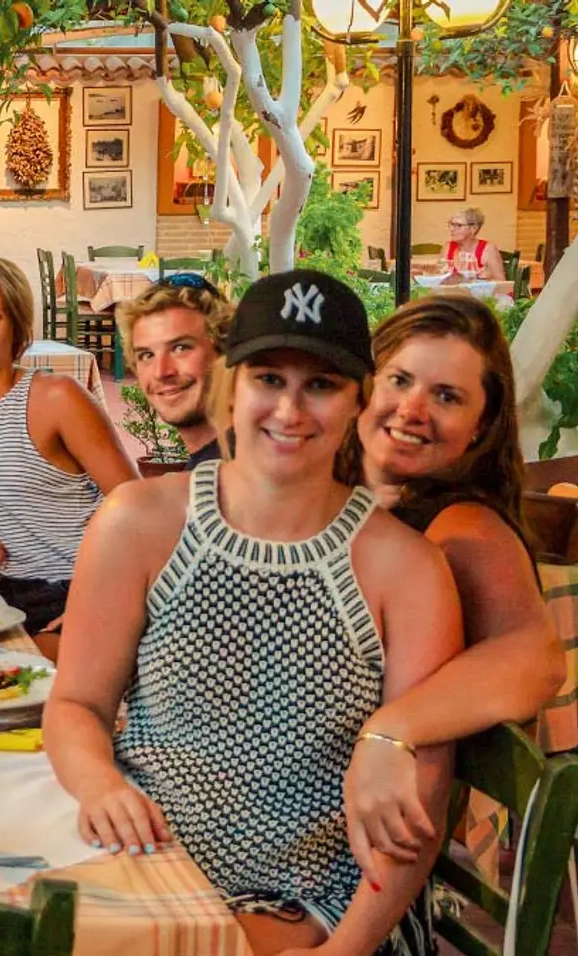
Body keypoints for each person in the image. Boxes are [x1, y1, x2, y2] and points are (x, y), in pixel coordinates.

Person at [45, 271, 463, 956]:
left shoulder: (408, 570)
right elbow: (77, 705)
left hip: (321, 905)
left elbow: (418, 814)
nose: (291, 411)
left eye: (322, 385)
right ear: (230, 386)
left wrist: (339, 949)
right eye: (270, 378)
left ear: (359, 400)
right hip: (147, 870)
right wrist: (97, 784)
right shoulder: (140, 522)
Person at [340, 294, 563, 885]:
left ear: (480, 427)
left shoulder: (464, 528)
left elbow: (535, 661)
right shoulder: (340, 499)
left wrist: (390, 731)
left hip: (355, 853)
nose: (412, 410)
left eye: (446, 396)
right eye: (401, 380)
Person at [0, 253, 136, 640]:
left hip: (65, 592)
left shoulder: (55, 398)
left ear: (17, 327)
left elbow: (137, 506)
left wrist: (106, 601)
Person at [116, 272, 235, 466]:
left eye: (180, 348)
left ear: (223, 351)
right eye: (146, 355)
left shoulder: (245, 473)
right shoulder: (210, 467)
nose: (162, 372)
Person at [435, 207, 506, 281]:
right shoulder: (447, 247)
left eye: (459, 225)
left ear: (473, 228)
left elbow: (502, 282)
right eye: (452, 224)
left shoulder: (488, 249)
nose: (452, 229)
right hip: (452, 292)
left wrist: (486, 279)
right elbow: (438, 277)